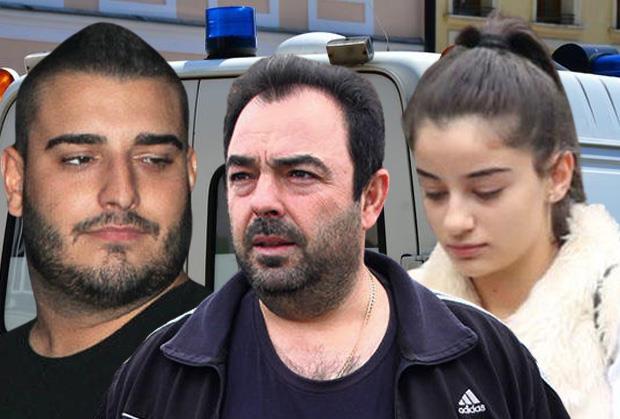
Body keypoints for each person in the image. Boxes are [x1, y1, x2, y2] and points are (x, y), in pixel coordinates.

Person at [98, 54, 568, 418]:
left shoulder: (482, 361)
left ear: (370, 198)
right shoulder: (158, 375)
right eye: (242, 176)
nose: (263, 200)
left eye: (299, 174)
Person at [403, 13, 620, 419]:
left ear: (558, 175)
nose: (454, 221)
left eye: (486, 190)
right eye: (434, 191)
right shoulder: (400, 312)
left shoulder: (610, 313)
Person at [0, 22, 208, 419]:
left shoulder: (255, 369)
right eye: (80, 159)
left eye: (153, 160)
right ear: (16, 180)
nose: (122, 192)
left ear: (189, 173)